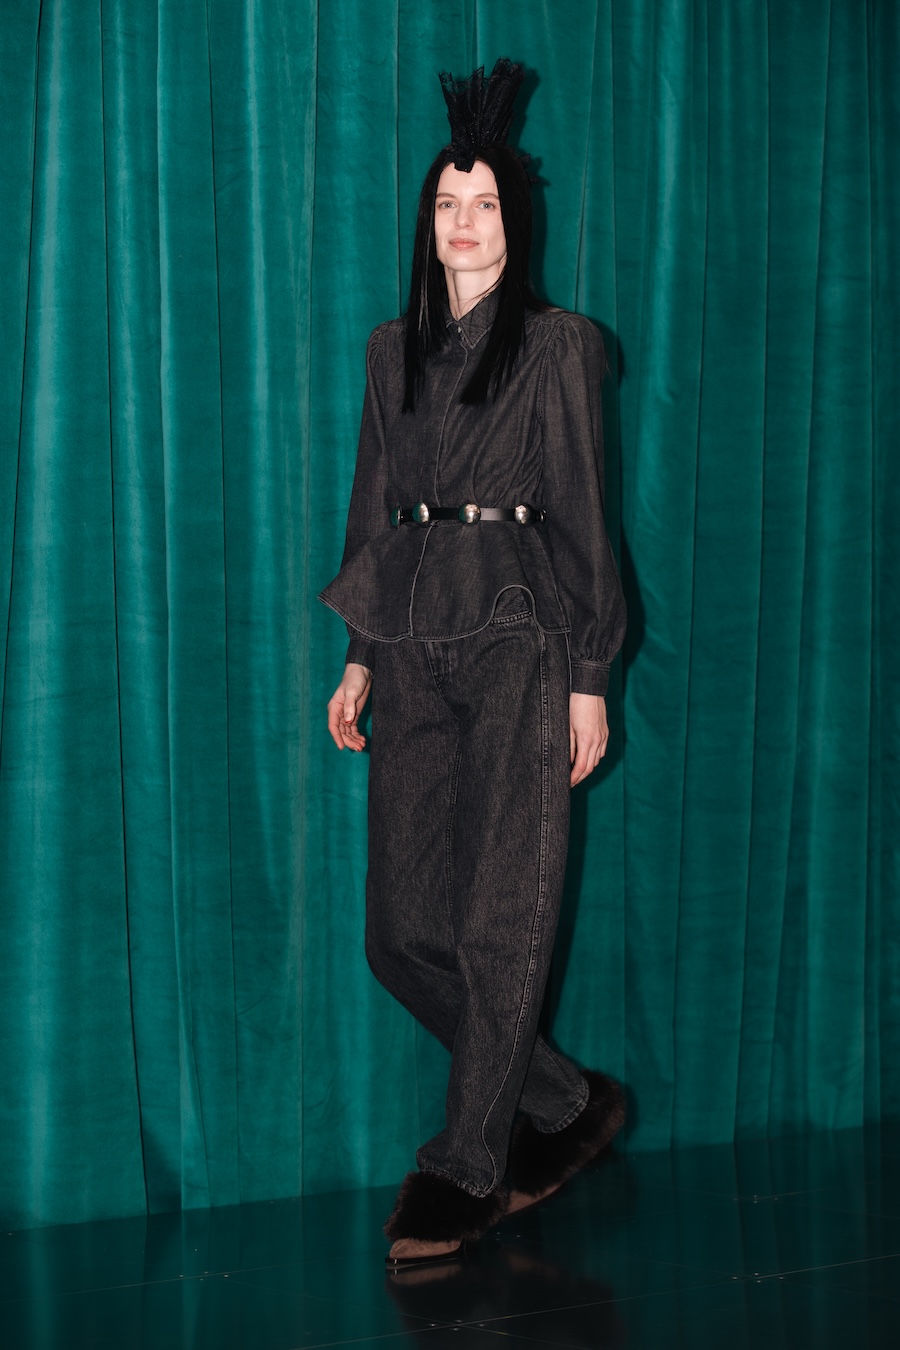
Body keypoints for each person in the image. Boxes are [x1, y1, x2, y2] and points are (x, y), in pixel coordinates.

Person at [320, 59, 627, 1269]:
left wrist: (590, 675)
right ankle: (560, 1101)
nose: (464, 222)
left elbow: (586, 515)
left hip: (520, 639)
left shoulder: (556, 348)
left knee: (502, 920)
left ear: (514, 219)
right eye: (448, 204)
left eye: (485, 204)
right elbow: (370, 509)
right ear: (426, 219)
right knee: (398, 933)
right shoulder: (388, 352)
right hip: (411, 642)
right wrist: (358, 657)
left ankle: (468, 1164)